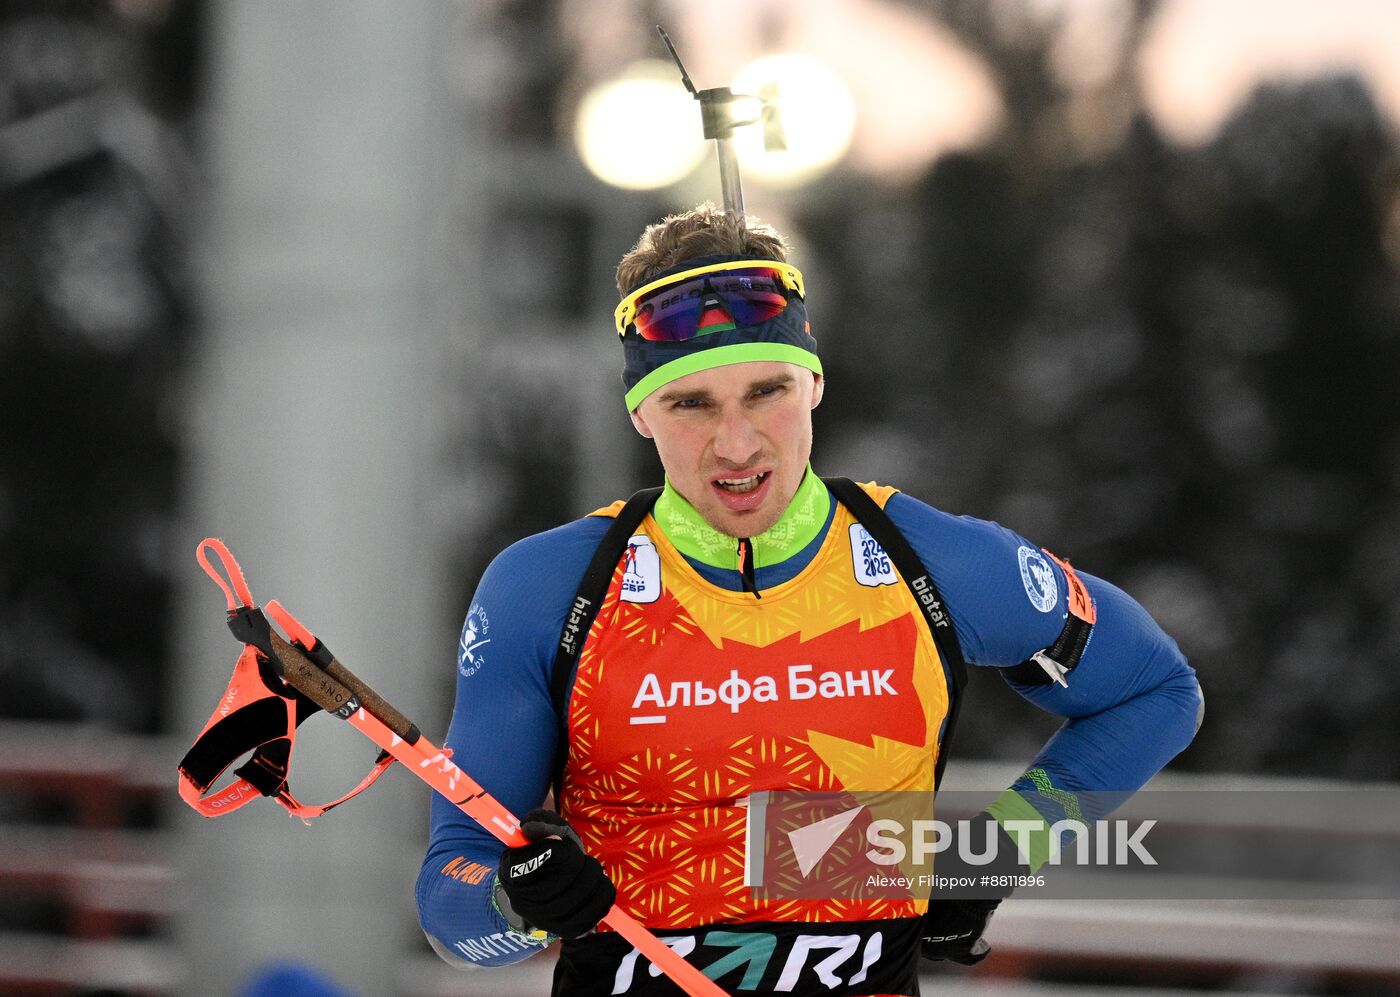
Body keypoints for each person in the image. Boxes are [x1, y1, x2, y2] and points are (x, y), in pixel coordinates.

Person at [416, 203, 1203, 996]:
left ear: (816, 382)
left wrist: (993, 857)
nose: (737, 443)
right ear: (639, 410)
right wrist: (514, 902)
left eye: (767, 391)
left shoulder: (925, 561)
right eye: (691, 403)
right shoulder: (551, 588)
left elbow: (1156, 692)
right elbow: (450, 906)